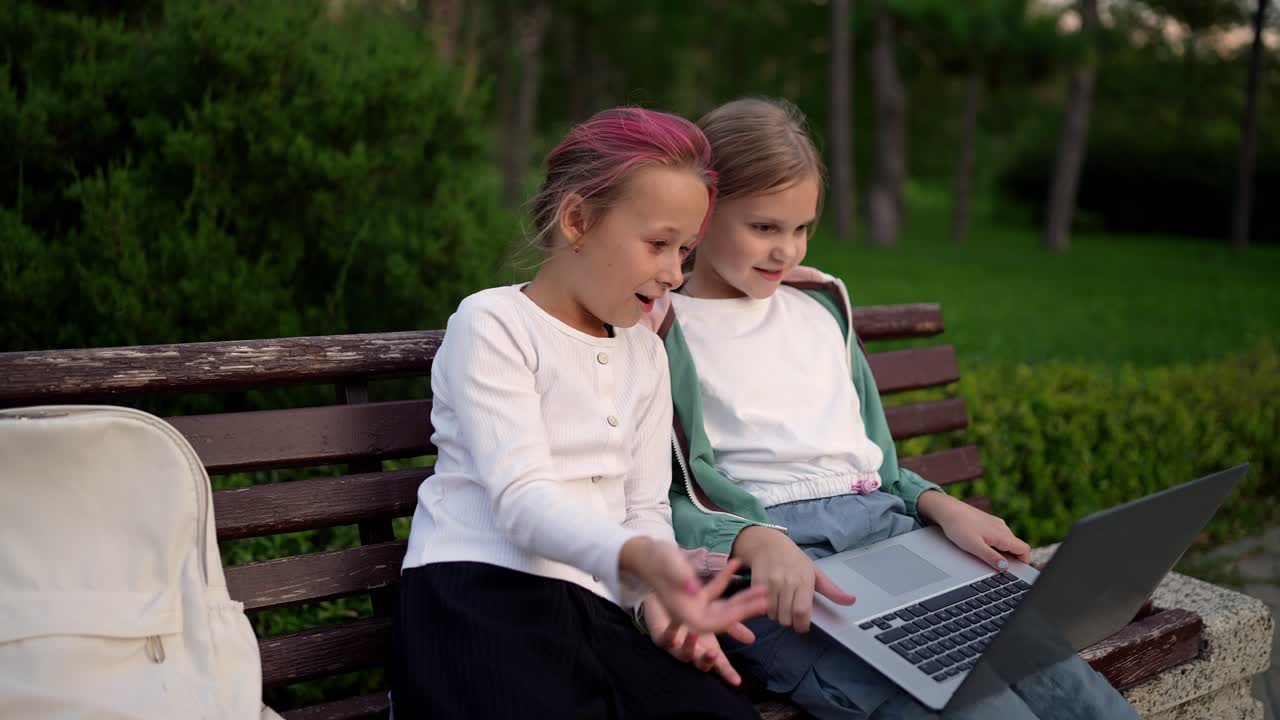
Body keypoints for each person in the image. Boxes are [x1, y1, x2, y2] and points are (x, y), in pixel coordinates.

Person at [650, 97, 1140, 720]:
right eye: (765, 228)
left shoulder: (821, 305)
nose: (787, 252)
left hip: (890, 535)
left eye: (802, 228)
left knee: (1072, 689)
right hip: (783, 574)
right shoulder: (663, 330)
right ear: (703, 211)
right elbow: (657, 502)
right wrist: (752, 539)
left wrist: (937, 504)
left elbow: (873, 464)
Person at [389, 107, 768, 719]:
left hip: (595, 608)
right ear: (578, 220)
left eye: (686, 249)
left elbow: (643, 507)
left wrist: (658, 603)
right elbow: (522, 501)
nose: (674, 273)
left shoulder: (645, 352)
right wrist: (637, 560)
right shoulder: (494, 325)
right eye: (658, 244)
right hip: (479, 593)